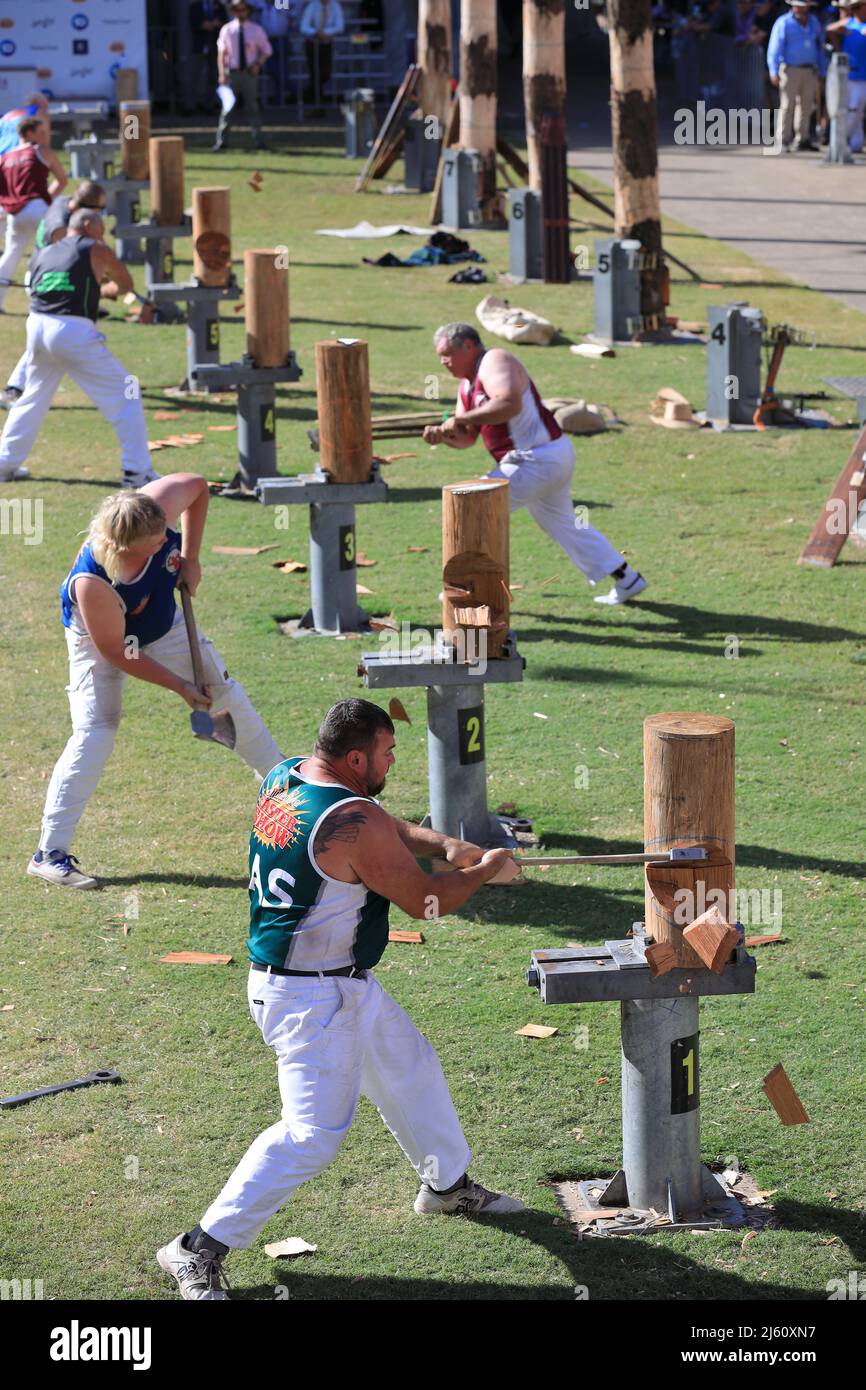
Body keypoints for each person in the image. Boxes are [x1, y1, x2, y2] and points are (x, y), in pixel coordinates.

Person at [157, 698, 522, 1300]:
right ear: (356, 757)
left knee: (410, 1068)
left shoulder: (289, 774)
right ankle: (197, 1248)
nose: (393, 760)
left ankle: (447, 1185)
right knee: (312, 1135)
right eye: (386, 752)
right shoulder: (354, 820)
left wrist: (446, 846)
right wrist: (484, 874)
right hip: (312, 1001)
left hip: (327, 984)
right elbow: (424, 903)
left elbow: (378, 823)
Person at [28, 474, 285, 892]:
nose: (166, 537)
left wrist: (192, 557)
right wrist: (180, 687)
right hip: (101, 641)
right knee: (95, 732)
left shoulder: (153, 507)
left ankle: (281, 781)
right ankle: (49, 853)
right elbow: (119, 651)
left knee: (223, 691)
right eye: (158, 540)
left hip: (163, 620)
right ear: (128, 547)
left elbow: (199, 487)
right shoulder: (93, 583)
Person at [423, 324, 647, 606]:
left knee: (471, 507)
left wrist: (464, 420)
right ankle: (627, 578)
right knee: (567, 524)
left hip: (536, 458)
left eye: (448, 354)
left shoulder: (494, 361)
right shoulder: (466, 386)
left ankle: (470, 587)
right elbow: (466, 439)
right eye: (440, 357)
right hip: (544, 459)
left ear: (468, 345)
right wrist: (443, 437)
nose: (444, 362)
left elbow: (509, 404)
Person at [0, 209, 156, 487]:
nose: (104, 235)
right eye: (101, 228)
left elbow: (36, 290)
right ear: (87, 225)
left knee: (31, 399)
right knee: (128, 392)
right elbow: (125, 284)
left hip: (37, 327)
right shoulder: (95, 247)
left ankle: (4, 463)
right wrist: (103, 289)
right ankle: (137, 473)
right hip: (72, 331)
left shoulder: (42, 252)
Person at [0, 182, 108, 410]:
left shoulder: (63, 203)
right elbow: (68, 258)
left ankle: (17, 388)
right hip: (47, 281)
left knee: (47, 338)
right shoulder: (62, 227)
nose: (99, 215)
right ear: (86, 208)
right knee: (49, 336)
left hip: (47, 277)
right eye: (98, 210)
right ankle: (15, 388)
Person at [0, 115, 67, 312]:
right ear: (29, 133)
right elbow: (62, 179)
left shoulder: (5, 157)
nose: (45, 137)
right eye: (41, 132)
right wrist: (46, 198)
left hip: (14, 212)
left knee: (10, 254)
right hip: (38, 207)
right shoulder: (41, 151)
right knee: (48, 253)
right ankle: (50, 299)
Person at [767, 0, 827, 151]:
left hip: (810, 70)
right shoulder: (783, 23)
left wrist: (822, 71)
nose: (801, 7)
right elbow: (774, 49)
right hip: (790, 69)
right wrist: (773, 71)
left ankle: (802, 139)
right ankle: (782, 139)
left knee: (806, 106)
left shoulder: (814, 22)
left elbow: (819, 47)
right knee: (787, 105)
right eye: (798, 4)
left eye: (804, 4)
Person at [214, 0, 273, 151]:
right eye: (237, 10)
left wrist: (258, 64)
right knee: (227, 108)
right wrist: (222, 73)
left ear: (248, 11)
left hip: (249, 74)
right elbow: (221, 53)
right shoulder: (227, 30)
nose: (241, 13)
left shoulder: (256, 30)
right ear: (233, 11)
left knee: (252, 107)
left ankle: (259, 141)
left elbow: (267, 50)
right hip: (232, 74)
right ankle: (222, 141)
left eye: (243, 10)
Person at [827, 0, 866, 150]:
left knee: (856, 110)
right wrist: (839, 45)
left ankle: (841, 141)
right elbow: (830, 29)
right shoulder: (849, 24)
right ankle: (852, 143)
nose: (858, 10)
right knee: (847, 109)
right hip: (846, 76)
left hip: (863, 77)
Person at [300, 0, 345, 110]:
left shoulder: (335, 6)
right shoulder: (312, 6)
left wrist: (326, 32)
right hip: (312, 44)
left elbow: (340, 26)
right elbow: (304, 26)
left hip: (327, 43)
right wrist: (317, 33)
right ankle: (318, 104)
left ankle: (306, 94)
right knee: (314, 74)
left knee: (325, 73)